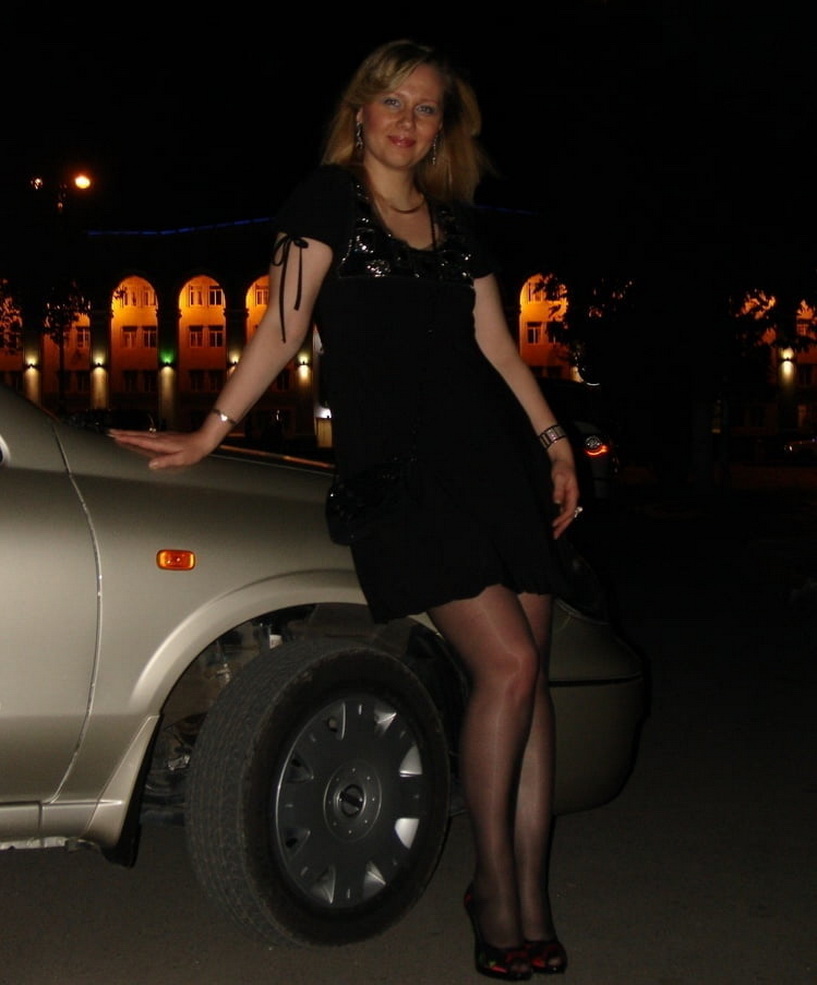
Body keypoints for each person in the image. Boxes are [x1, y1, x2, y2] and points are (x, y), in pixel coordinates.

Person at [111, 39, 579, 980]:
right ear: (360, 112)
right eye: (392, 102)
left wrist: (553, 441)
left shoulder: (453, 225)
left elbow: (496, 345)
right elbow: (280, 328)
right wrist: (208, 431)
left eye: (426, 107)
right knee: (509, 665)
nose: (408, 121)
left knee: (530, 692)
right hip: (401, 479)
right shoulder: (326, 202)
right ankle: (493, 889)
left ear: (443, 129)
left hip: (495, 468)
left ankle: (529, 891)